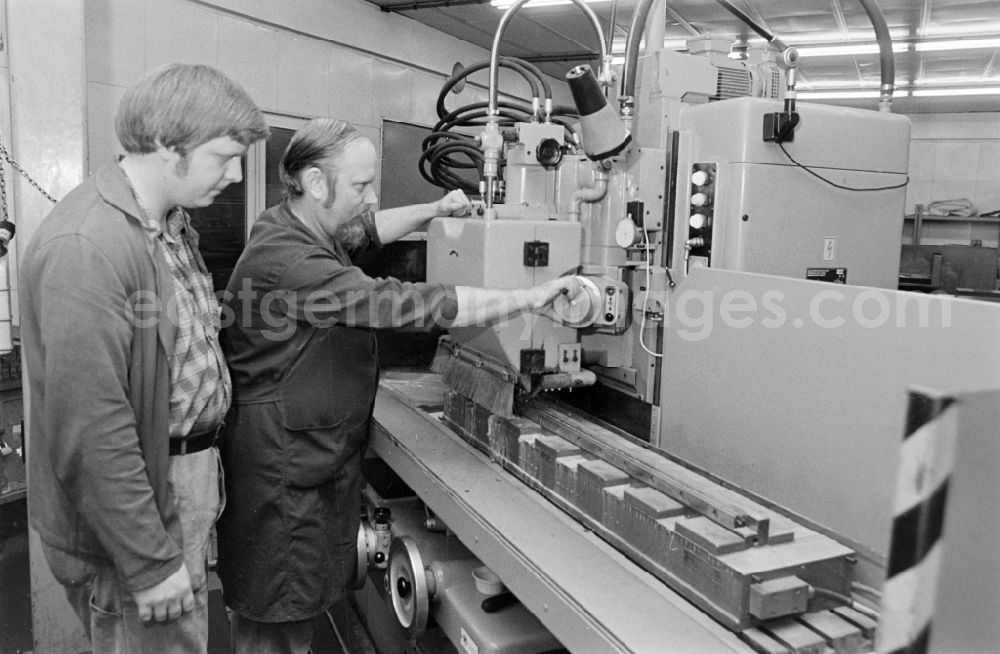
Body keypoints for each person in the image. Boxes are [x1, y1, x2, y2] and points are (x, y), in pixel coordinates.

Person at [216, 117, 585, 653]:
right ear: (317, 183)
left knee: (294, 614)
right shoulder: (293, 262)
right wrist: (532, 296)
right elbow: (409, 304)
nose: (371, 198)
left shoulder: (292, 225)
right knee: (275, 625)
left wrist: (435, 210)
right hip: (281, 475)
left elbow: (365, 231)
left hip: (305, 459)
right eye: (361, 186)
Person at [20, 63, 268, 653]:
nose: (235, 178)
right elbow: (92, 428)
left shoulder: (170, 225)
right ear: (165, 144)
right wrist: (149, 562)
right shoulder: (88, 247)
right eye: (224, 157)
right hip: (141, 498)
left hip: (184, 478)